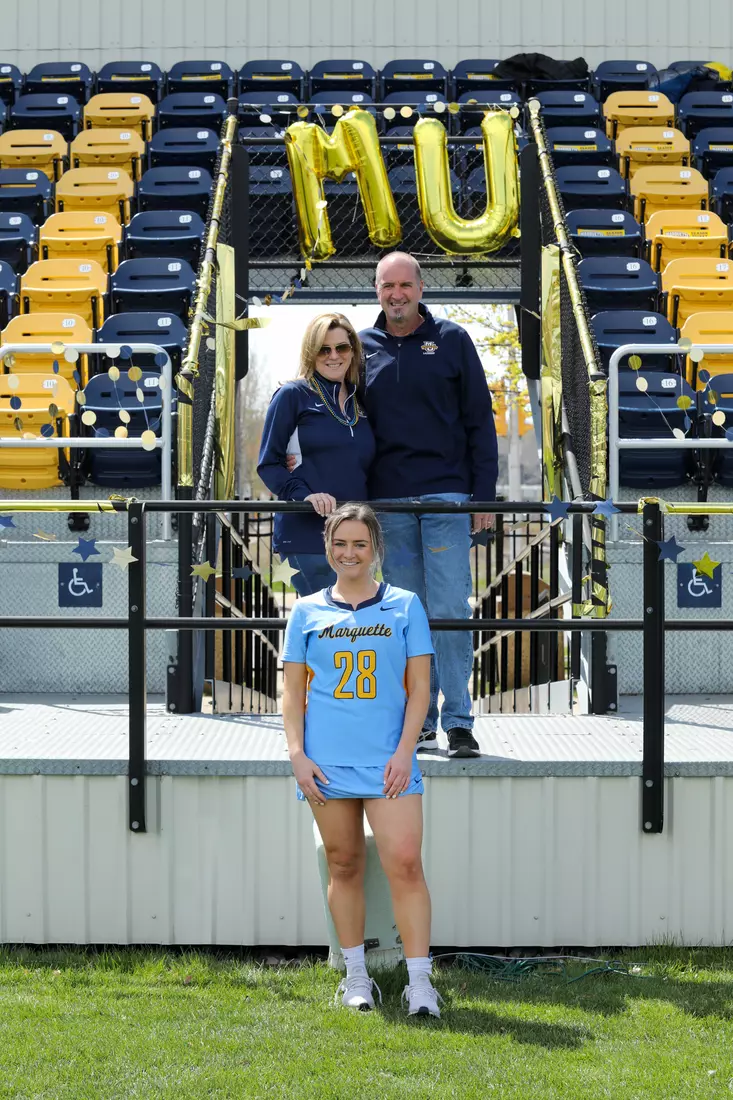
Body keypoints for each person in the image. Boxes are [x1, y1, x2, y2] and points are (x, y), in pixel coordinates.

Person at [282, 502, 442, 1017]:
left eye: (360, 544)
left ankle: (420, 985)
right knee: (344, 863)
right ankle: (356, 977)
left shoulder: (405, 605)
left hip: (388, 763)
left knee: (405, 864)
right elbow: (290, 695)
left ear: (376, 549)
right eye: (340, 543)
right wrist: (297, 756)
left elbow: (420, 690)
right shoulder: (306, 611)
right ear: (328, 547)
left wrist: (404, 752)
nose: (349, 553)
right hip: (326, 764)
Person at [359, 251, 499, 759]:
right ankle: (420, 722)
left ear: (421, 287)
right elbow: (338, 420)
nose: (395, 294)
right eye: (386, 286)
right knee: (407, 616)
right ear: (376, 290)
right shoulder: (362, 347)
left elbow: (480, 421)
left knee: (448, 610)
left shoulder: (453, 341)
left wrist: (483, 494)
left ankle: (459, 722)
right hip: (388, 502)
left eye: (404, 285)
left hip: (447, 496)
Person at [257, 313, 375, 597]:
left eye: (341, 348)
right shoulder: (293, 395)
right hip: (308, 537)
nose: (333, 356)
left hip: (354, 539)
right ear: (311, 352)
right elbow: (269, 464)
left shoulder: (362, 401)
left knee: (349, 630)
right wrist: (304, 495)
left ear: (353, 351)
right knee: (326, 628)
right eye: (324, 349)